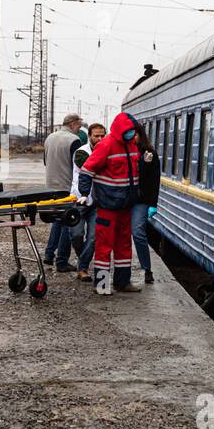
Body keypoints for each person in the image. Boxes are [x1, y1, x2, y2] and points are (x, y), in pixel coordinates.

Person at [79, 111, 141, 295]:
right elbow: (87, 170)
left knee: (124, 246)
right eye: (129, 131)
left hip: (126, 205)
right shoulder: (106, 145)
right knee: (104, 246)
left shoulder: (131, 146)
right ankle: (102, 285)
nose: (132, 134)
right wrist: (84, 193)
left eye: (133, 131)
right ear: (122, 130)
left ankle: (123, 282)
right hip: (108, 205)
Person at [42, 113, 84, 271]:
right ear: (72, 124)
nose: (79, 130)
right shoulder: (74, 140)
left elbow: (46, 161)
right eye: (79, 126)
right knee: (68, 222)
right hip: (66, 187)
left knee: (58, 221)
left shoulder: (50, 138)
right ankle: (61, 261)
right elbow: (78, 166)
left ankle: (48, 254)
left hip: (50, 186)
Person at [73, 122, 105, 281]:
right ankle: (83, 259)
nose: (100, 139)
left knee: (93, 237)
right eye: (96, 136)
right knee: (77, 235)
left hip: (97, 201)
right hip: (79, 199)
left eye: (102, 136)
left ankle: (83, 268)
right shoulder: (81, 152)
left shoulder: (105, 151)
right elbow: (93, 168)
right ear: (90, 136)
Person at [130, 121, 161, 285]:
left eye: (135, 134)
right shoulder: (120, 151)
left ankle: (147, 269)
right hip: (121, 199)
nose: (132, 137)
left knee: (138, 232)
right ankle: (122, 271)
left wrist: (153, 204)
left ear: (141, 135)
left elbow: (154, 180)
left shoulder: (149, 153)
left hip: (140, 200)